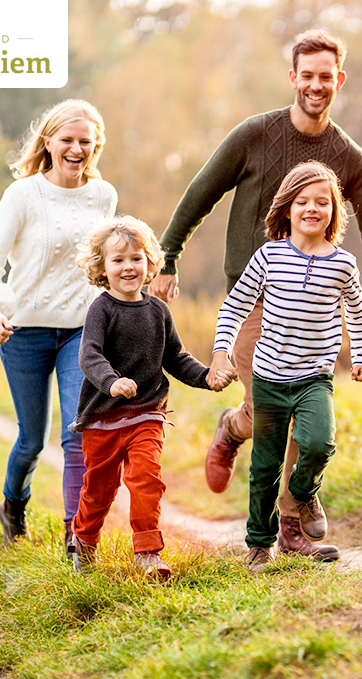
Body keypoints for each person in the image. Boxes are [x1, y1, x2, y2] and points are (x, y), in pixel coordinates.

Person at [149, 29, 362, 561]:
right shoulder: (254, 134)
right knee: (268, 409)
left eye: (326, 78)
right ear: (294, 78)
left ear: (339, 81)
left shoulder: (346, 155)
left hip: (316, 304)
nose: (316, 86)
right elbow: (200, 192)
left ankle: (291, 526)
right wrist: (168, 256)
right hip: (254, 296)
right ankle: (232, 428)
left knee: (305, 416)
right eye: (307, 76)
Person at [209, 161, 362, 573]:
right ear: (287, 208)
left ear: (335, 210)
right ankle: (259, 545)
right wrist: (221, 351)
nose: (311, 209)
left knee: (319, 443)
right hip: (268, 378)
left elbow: (359, 314)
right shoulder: (269, 256)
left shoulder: (343, 264)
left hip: (315, 376)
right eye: (302, 201)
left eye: (322, 202)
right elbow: (235, 306)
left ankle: (302, 495)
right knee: (265, 464)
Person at [0, 99, 117, 550]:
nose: (76, 149)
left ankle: (77, 534)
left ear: (95, 146)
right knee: (31, 441)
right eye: (68, 140)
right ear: (49, 142)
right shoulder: (22, 194)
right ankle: (13, 505)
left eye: (85, 142)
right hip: (24, 331)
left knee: (77, 434)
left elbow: (104, 261)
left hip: (81, 329)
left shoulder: (103, 195)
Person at [69, 216, 234, 578]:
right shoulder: (101, 309)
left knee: (147, 478)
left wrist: (208, 377)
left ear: (149, 264)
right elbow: (89, 355)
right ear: (101, 267)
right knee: (99, 490)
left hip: (146, 415)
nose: (128, 267)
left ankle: (147, 553)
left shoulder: (159, 311)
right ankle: (83, 540)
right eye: (118, 260)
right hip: (103, 418)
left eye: (136, 258)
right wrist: (111, 382)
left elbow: (175, 358)